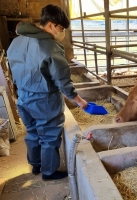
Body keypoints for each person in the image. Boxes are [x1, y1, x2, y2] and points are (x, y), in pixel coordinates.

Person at [7, 4, 88, 180]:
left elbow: (13, 67)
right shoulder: (50, 46)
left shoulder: (17, 41)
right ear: (51, 25)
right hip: (43, 100)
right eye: (62, 28)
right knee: (49, 136)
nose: (63, 32)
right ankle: (49, 171)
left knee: (33, 132)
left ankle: (35, 165)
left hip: (22, 97)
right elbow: (62, 79)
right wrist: (79, 100)